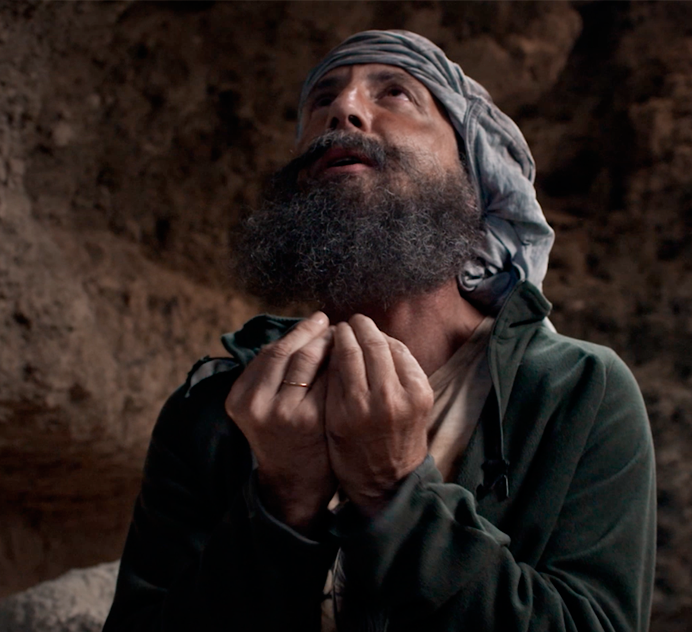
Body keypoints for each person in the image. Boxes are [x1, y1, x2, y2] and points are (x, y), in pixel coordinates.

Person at [102, 30, 655, 632]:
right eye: (322, 101)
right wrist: (282, 502)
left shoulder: (577, 391)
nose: (343, 109)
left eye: (395, 93)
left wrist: (395, 492)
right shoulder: (219, 406)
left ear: (475, 178)